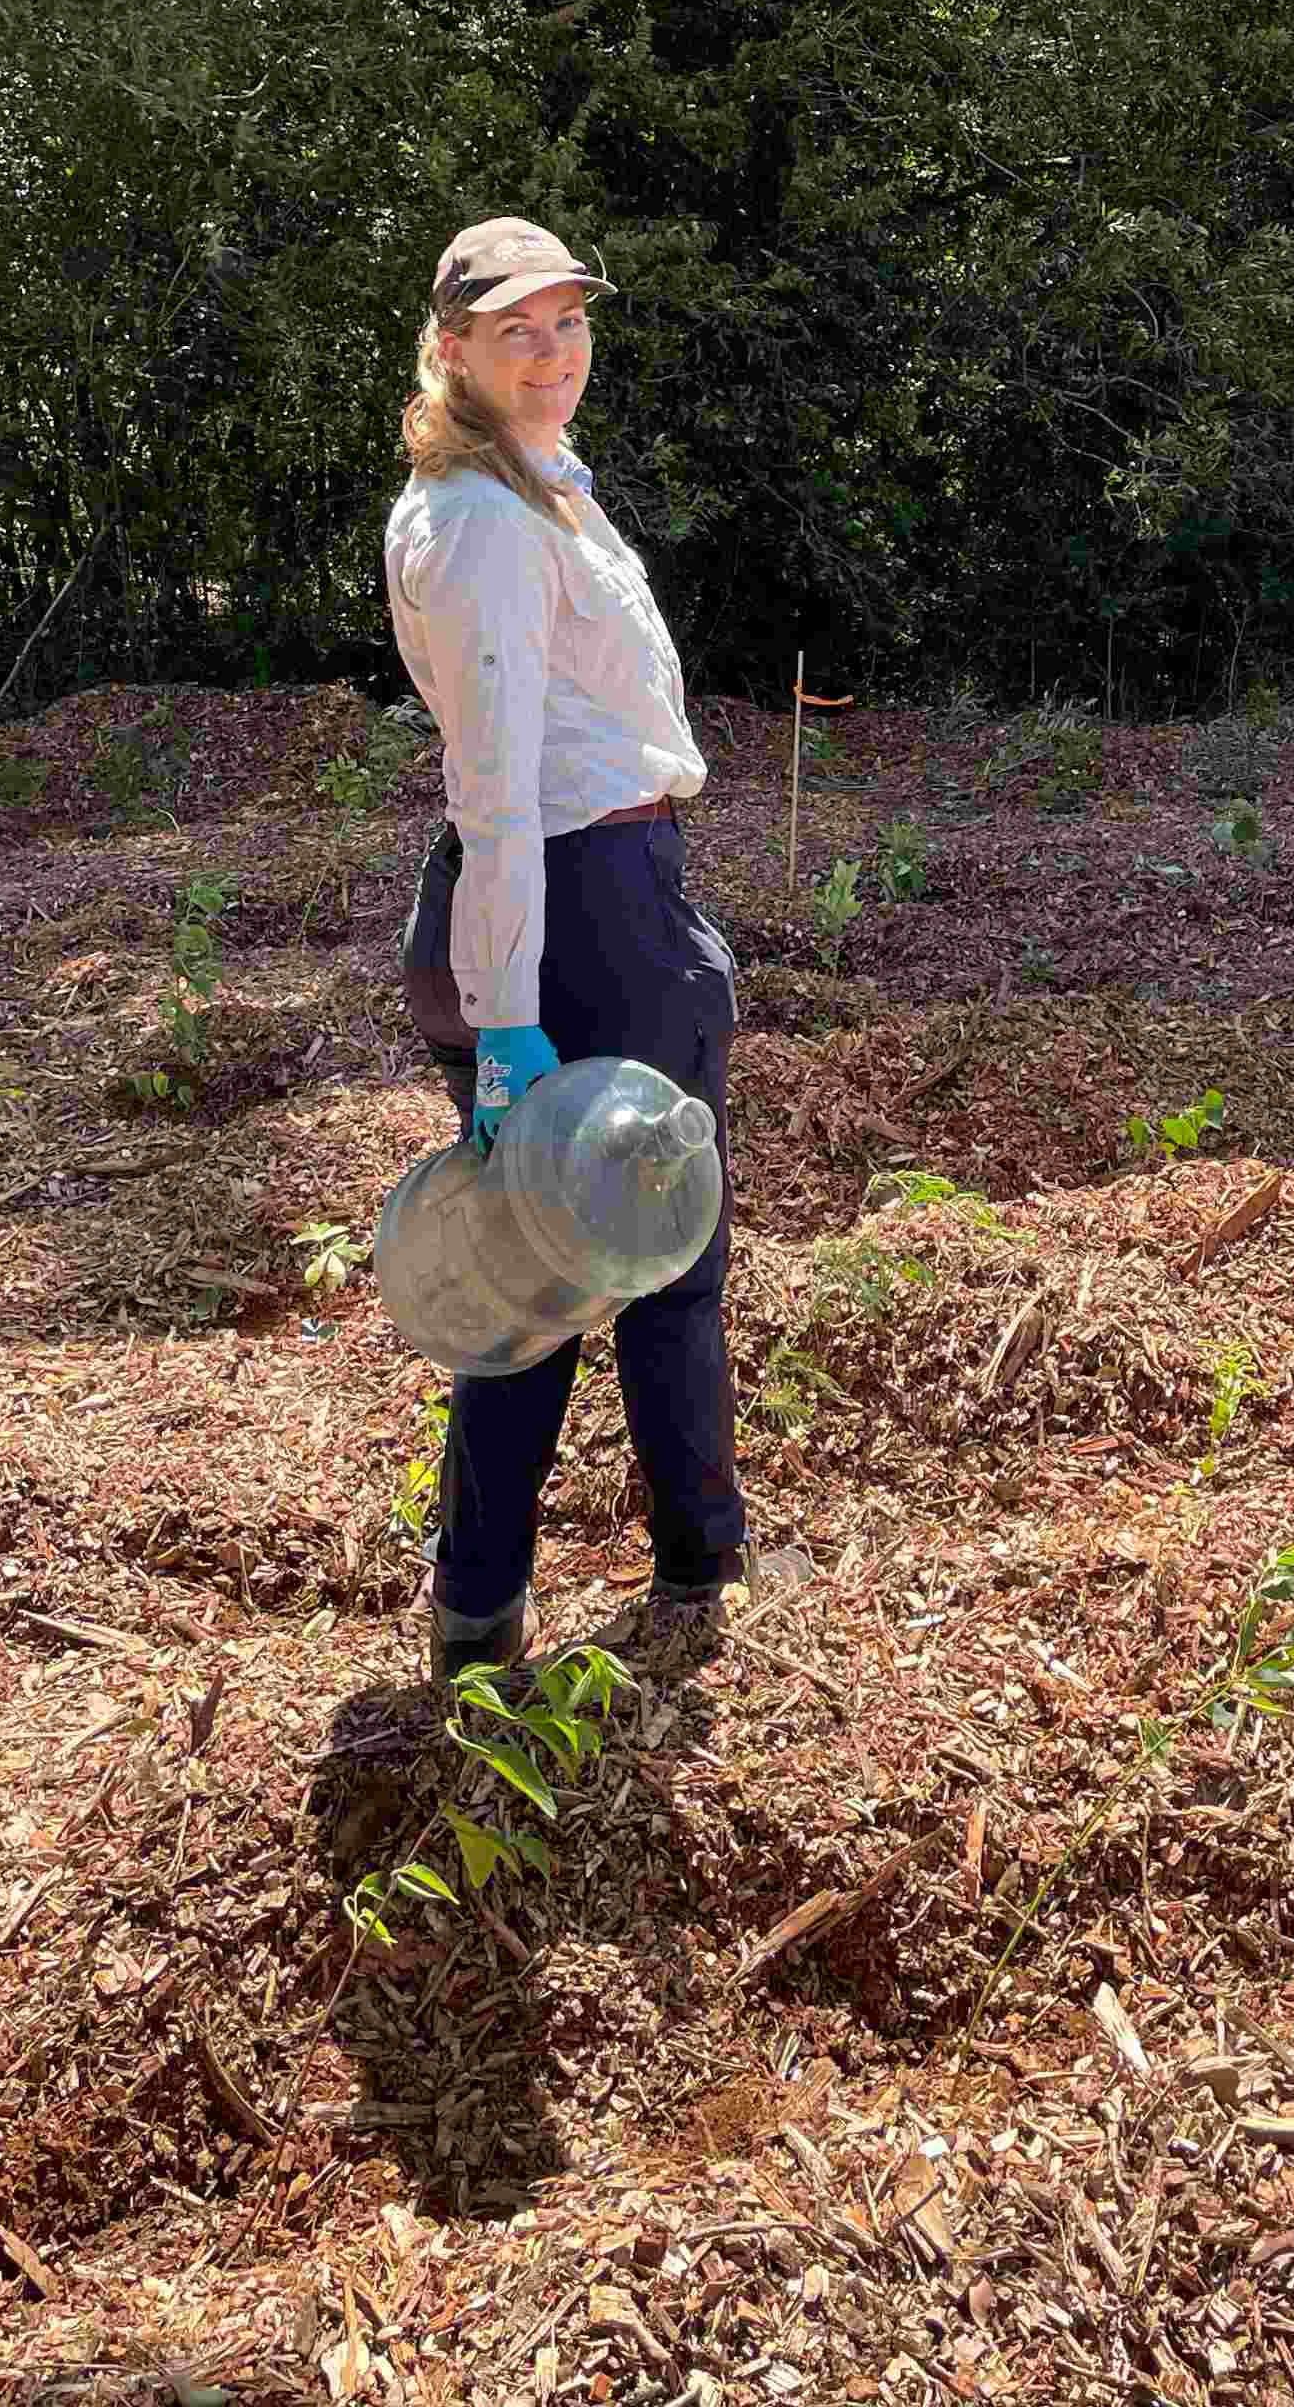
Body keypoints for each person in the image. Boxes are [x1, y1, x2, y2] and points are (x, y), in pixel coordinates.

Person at [384, 214, 747, 1681]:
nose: (551, 353)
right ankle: (686, 1570)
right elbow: (498, 789)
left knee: (553, 1268)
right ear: (453, 347)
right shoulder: (481, 521)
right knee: (625, 1259)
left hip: (590, 891)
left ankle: (498, 1602)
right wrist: (508, 1015)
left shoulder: (534, 485)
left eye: (569, 323)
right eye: (515, 330)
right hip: (571, 904)